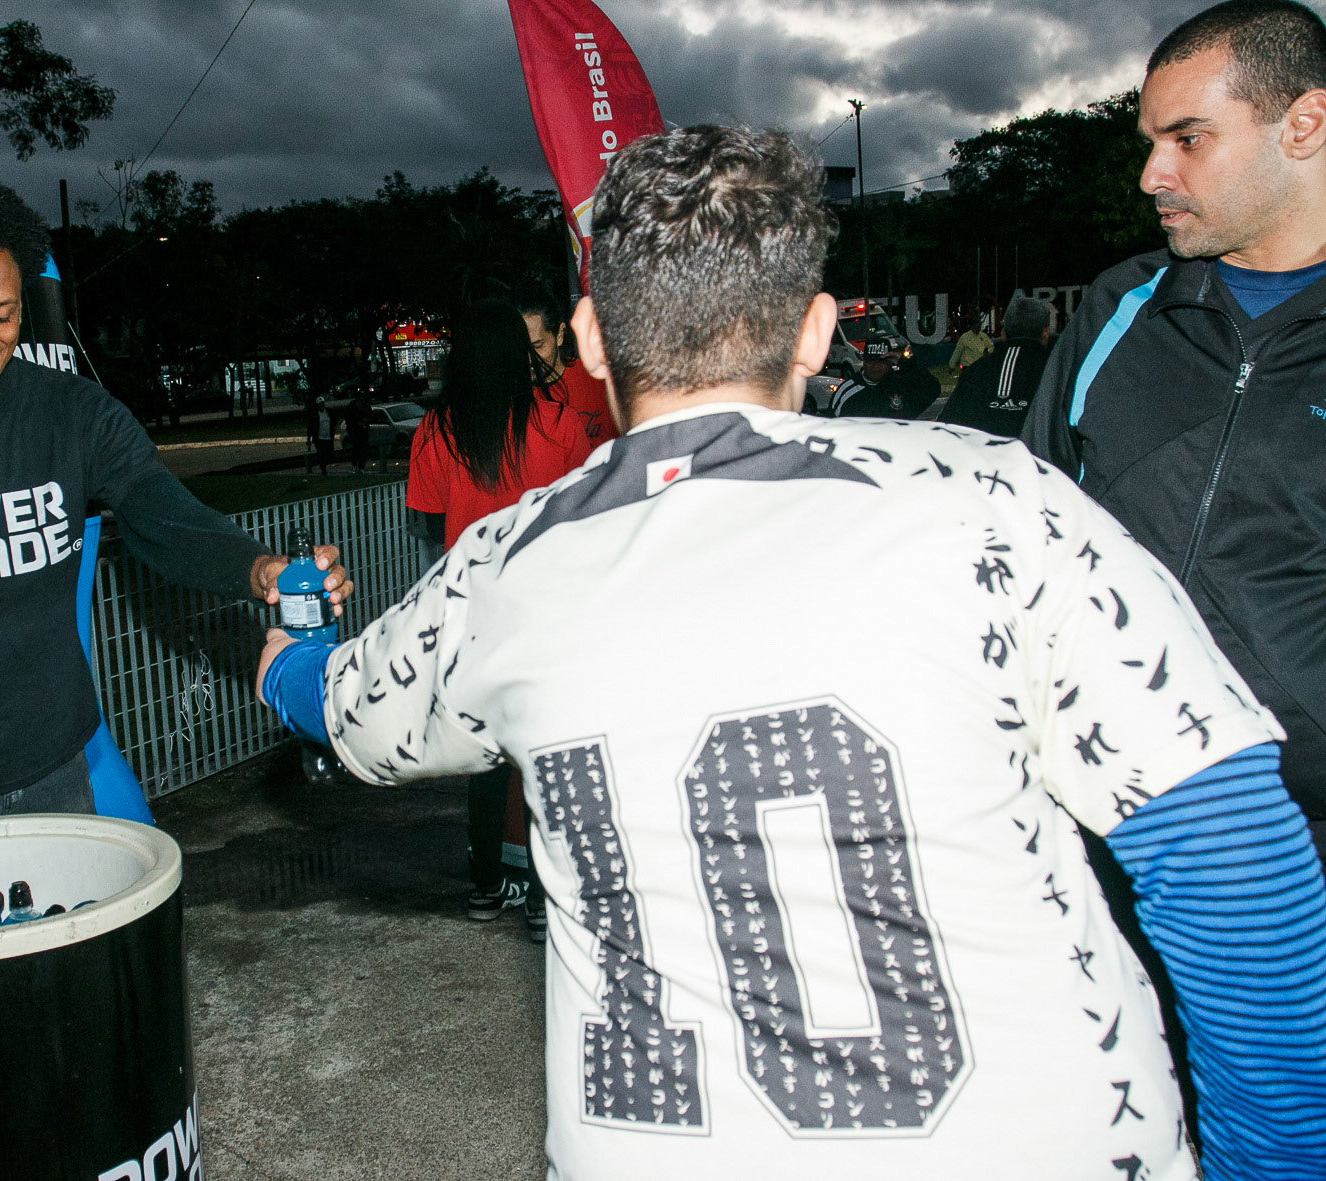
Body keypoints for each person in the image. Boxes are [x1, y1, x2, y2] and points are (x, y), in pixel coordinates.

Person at [257, 124, 1326, 1180]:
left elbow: (348, 710)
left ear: (588, 339)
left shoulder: (506, 562)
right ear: (814, 332)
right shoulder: (996, 497)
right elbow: (1230, 852)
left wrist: (281, 661)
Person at [0, 174, 352, 833]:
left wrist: (260, 570)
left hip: (60, 765)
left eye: (3, 313)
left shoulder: (74, 413)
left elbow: (160, 511)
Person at [1021, 0, 1326, 854]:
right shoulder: (1122, 305)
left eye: (1187, 139)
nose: (1153, 175)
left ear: (1303, 124)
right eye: (1151, 143)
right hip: (1103, 809)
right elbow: (1035, 525)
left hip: (1305, 829)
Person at [407, 298, 593, 940]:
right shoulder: (560, 422)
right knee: (543, 762)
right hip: (543, 611)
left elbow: (430, 522)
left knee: (482, 763)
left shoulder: (436, 431)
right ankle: (545, 902)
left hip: (471, 615)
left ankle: (485, 889)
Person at [938, 295, 1055, 436]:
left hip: (981, 454)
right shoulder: (1057, 369)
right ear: (1046, 332)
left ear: (1003, 333)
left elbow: (948, 427)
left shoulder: (977, 370)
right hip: (1039, 456)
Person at [522, 291, 620, 445]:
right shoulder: (518, 398)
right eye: (521, 348)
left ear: (560, 335)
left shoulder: (597, 378)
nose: (529, 358)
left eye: (538, 346)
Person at [830, 334, 938, 418]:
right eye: (871, 361)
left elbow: (933, 388)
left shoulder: (901, 385)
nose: (875, 367)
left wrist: (905, 364)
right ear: (864, 362)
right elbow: (832, 426)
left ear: (890, 363)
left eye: (881, 362)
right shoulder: (847, 391)